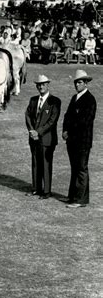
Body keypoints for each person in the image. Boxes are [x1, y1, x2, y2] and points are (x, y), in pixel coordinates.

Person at [62, 70, 97, 208]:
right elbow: (67, 116)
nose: (77, 84)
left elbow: (85, 121)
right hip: (72, 140)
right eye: (76, 82)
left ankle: (80, 199)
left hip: (82, 141)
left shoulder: (90, 100)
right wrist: (65, 130)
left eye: (80, 82)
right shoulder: (74, 98)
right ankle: (74, 197)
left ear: (86, 83)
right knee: (75, 168)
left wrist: (70, 131)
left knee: (81, 168)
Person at [25, 75, 61, 200]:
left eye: (43, 84)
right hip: (33, 138)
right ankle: (36, 188)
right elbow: (28, 116)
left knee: (46, 164)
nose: (41, 87)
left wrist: (38, 132)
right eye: (39, 85)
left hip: (47, 139)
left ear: (48, 85)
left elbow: (52, 121)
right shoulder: (33, 100)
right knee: (35, 163)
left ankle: (46, 191)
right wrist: (31, 131)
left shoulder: (55, 101)